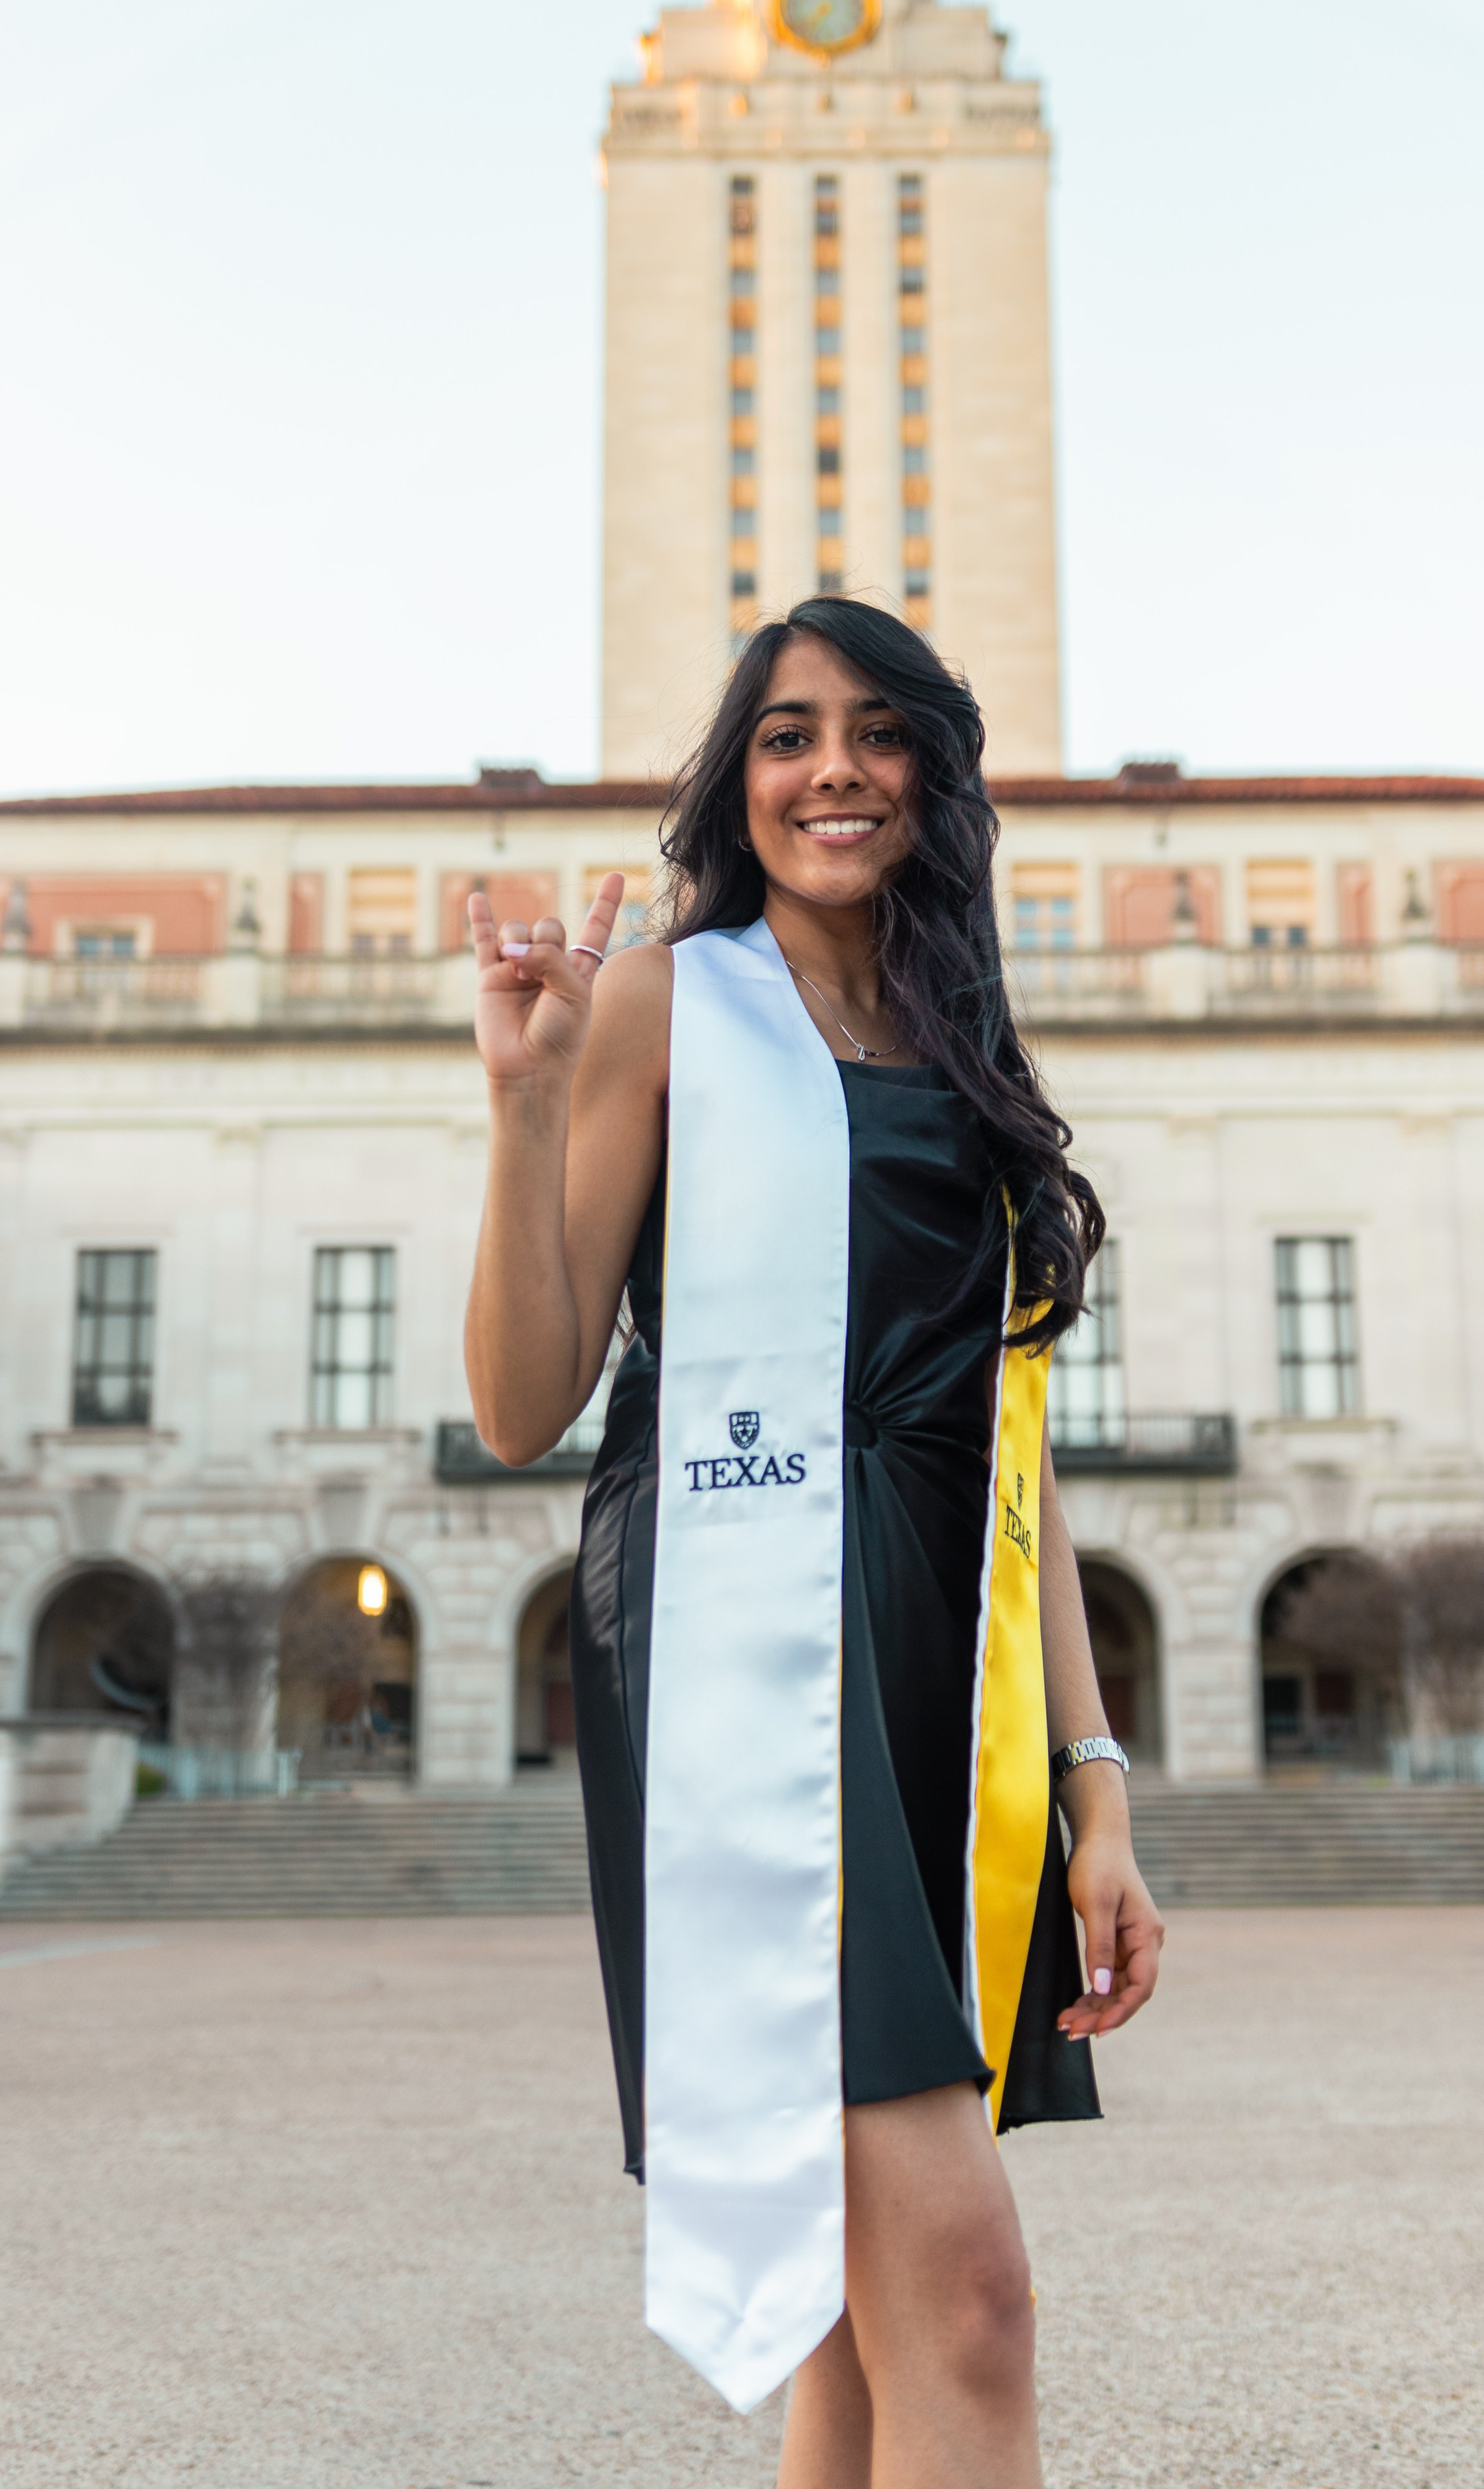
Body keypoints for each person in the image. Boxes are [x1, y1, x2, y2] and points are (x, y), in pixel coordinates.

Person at [464, 596, 1164, 2488]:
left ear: (934, 770)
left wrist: (1094, 1781)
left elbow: (1019, 1450)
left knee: (858, 2324)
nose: (831, 768)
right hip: (749, 1651)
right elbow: (523, 1401)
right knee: (969, 2302)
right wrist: (523, 1116)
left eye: (874, 730)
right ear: (737, 777)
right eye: (786, 733)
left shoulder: (964, 1041)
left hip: (948, 1654)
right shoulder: (675, 1001)